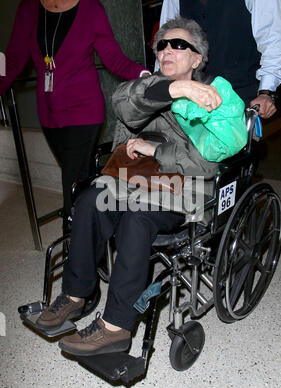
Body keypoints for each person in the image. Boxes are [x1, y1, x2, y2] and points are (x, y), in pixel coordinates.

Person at [35, 16, 237, 357]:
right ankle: (75, 294)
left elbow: (209, 162)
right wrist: (176, 88)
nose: (167, 50)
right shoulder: (147, 89)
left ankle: (116, 326)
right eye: (162, 45)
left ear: (197, 58)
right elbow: (122, 102)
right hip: (135, 181)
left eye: (179, 45)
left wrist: (156, 149)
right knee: (89, 200)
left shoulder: (215, 97)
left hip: (182, 191)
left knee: (137, 218)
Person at [0, 0, 150, 231]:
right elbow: (13, 57)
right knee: (83, 181)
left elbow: (113, 57)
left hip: (85, 110)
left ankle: (75, 250)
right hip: (48, 113)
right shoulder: (28, 8)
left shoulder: (91, 8)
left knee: (72, 183)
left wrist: (142, 73)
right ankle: (102, 233)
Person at [157, 0, 281, 119]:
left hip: (240, 94)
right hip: (189, 96)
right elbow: (164, 40)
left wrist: (266, 91)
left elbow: (273, 39)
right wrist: (159, 85)